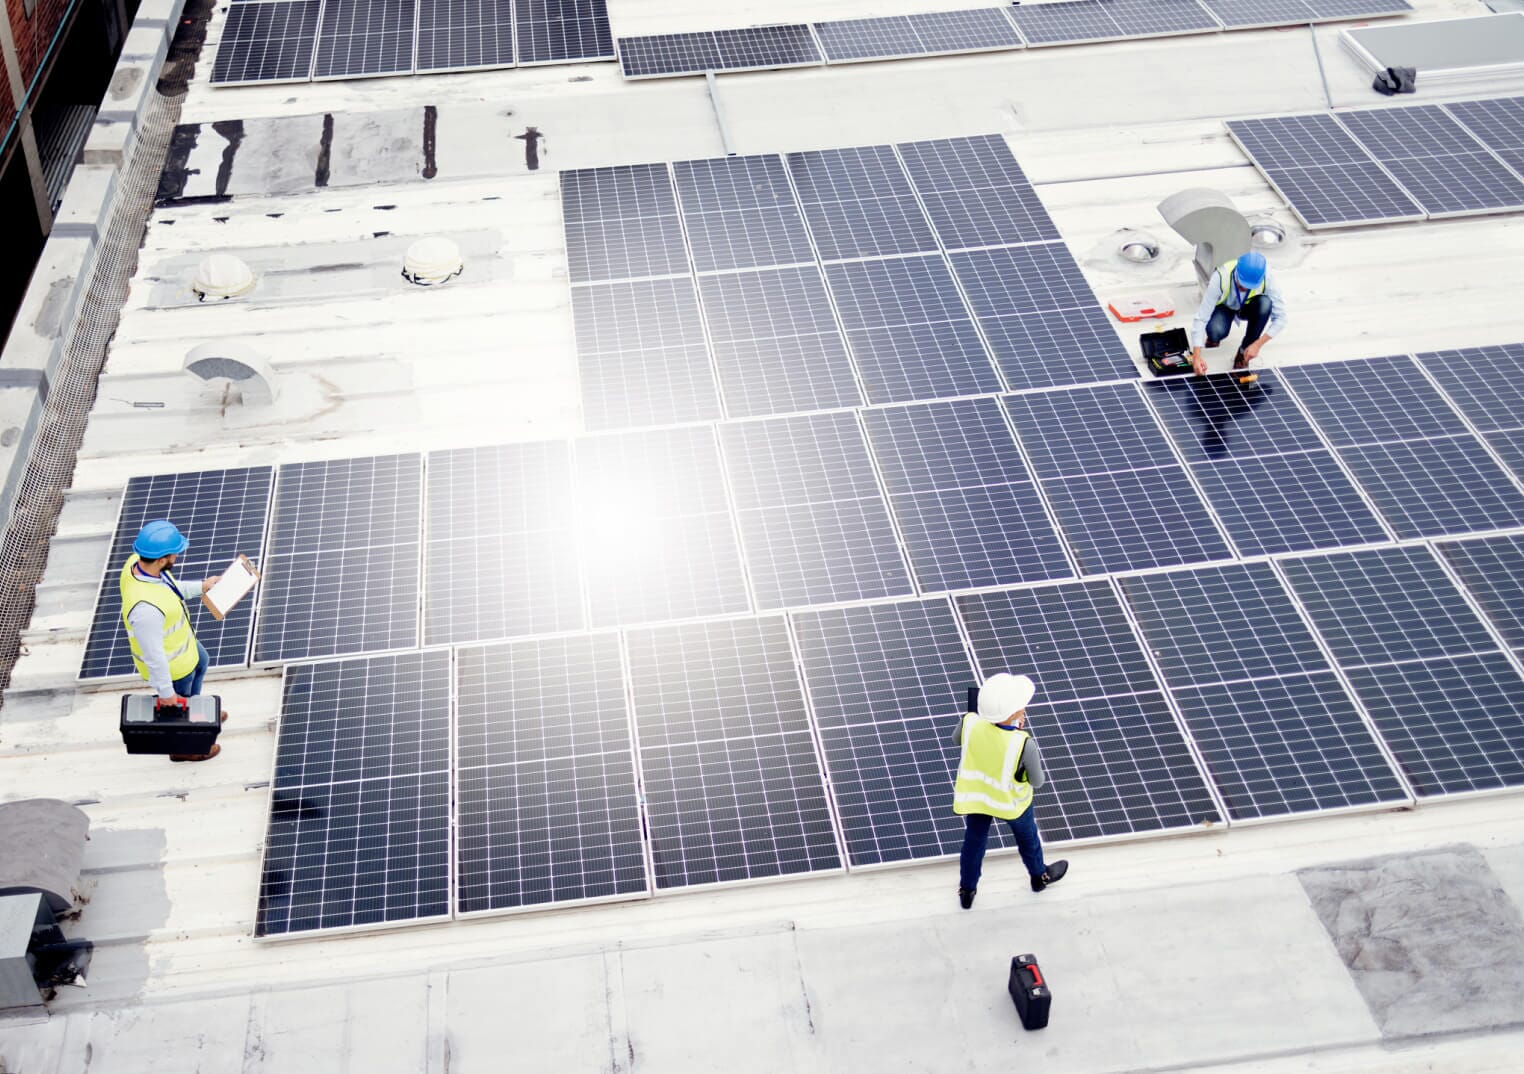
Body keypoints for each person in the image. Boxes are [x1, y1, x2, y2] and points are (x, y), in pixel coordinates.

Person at [952, 672, 1067, 909]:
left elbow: (957, 739)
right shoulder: (1023, 743)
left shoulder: (970, 723)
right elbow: (1037, 781)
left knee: (974, 842)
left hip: (978, 798)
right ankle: (1039, 877)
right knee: (1028, 840)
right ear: (1013, 713)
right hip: (1012, 804)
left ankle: (967, 890)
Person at [120, 520, 225, 762]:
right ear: (160, 560)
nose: (177, 556)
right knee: (178, 707)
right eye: (173, 554)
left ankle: (200, 712)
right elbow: (153, 656)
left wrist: (203, 586)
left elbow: (171, 589)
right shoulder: (145, 610)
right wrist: (166, 692)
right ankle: (185, 748)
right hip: (174, 668)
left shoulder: (138, 566)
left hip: (186, 651)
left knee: (202, 662)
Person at [1188, 250, 1286, 380]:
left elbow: (1280, 318)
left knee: (1265, 304)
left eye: (1249, 286)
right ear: (1237, 273)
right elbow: (1201, 318)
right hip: (1225, 307)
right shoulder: (1220, 277)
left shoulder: (1266, 277)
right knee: (1216, 330)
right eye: (1242, 285)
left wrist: (1257, 344)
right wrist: (1196, 356)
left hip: (1249, 306)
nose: (1245, 288)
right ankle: (1213, 338)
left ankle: (1243, 353)